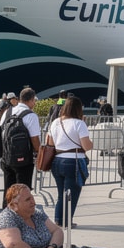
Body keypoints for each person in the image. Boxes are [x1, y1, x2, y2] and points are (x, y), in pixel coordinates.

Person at [47, 95, 93, 226]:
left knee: (61, 194)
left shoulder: (56, 122)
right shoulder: (79, 123)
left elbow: (50, 143)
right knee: (71, 194)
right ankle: (66, 221)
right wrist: (92, 144)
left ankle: (58, 220)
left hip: (57, 161)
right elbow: (86, 146)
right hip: (74, 162)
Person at [0, 88, 42, 191]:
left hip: (7, 158)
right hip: (24, 160)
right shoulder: (31, 115)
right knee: (22, 191)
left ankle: (7, 207)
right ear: (31, 100)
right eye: (34, 101)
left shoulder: (8, 112)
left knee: (9, 191)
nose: (34, 104)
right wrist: (40, 153)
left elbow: (1, 129)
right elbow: (35, 138)